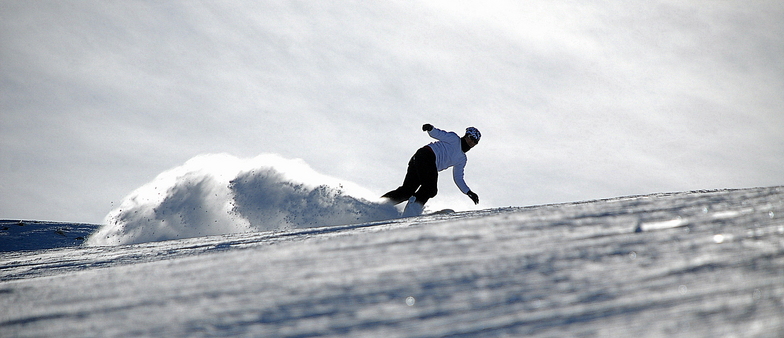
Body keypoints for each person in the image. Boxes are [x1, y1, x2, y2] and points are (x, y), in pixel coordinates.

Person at [382, 124, 481, 216]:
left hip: (422, 162)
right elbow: (439, 134)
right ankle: (413, 209)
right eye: (471, 138)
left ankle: (379, 205)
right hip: (426, 155)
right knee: (430, 188)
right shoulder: (454, 139)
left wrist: (468, 192)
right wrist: (430, 129)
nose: (472, 142)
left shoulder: (462, 159)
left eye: (475, 142)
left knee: (406, 191)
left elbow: (458, 177)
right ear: (466, 135)